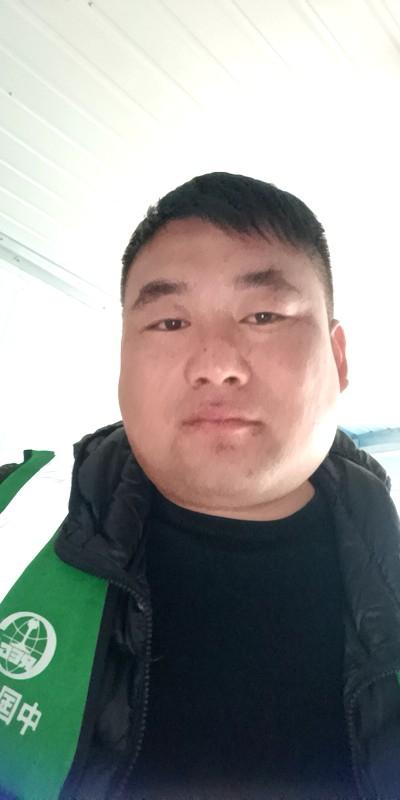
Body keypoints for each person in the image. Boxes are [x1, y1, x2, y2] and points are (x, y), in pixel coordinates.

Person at [1, 172, 400, 800]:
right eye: (169, 322)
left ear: (338, 356)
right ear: (123, 357)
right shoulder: (14, 520)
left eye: (263, 315)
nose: (216, 364)